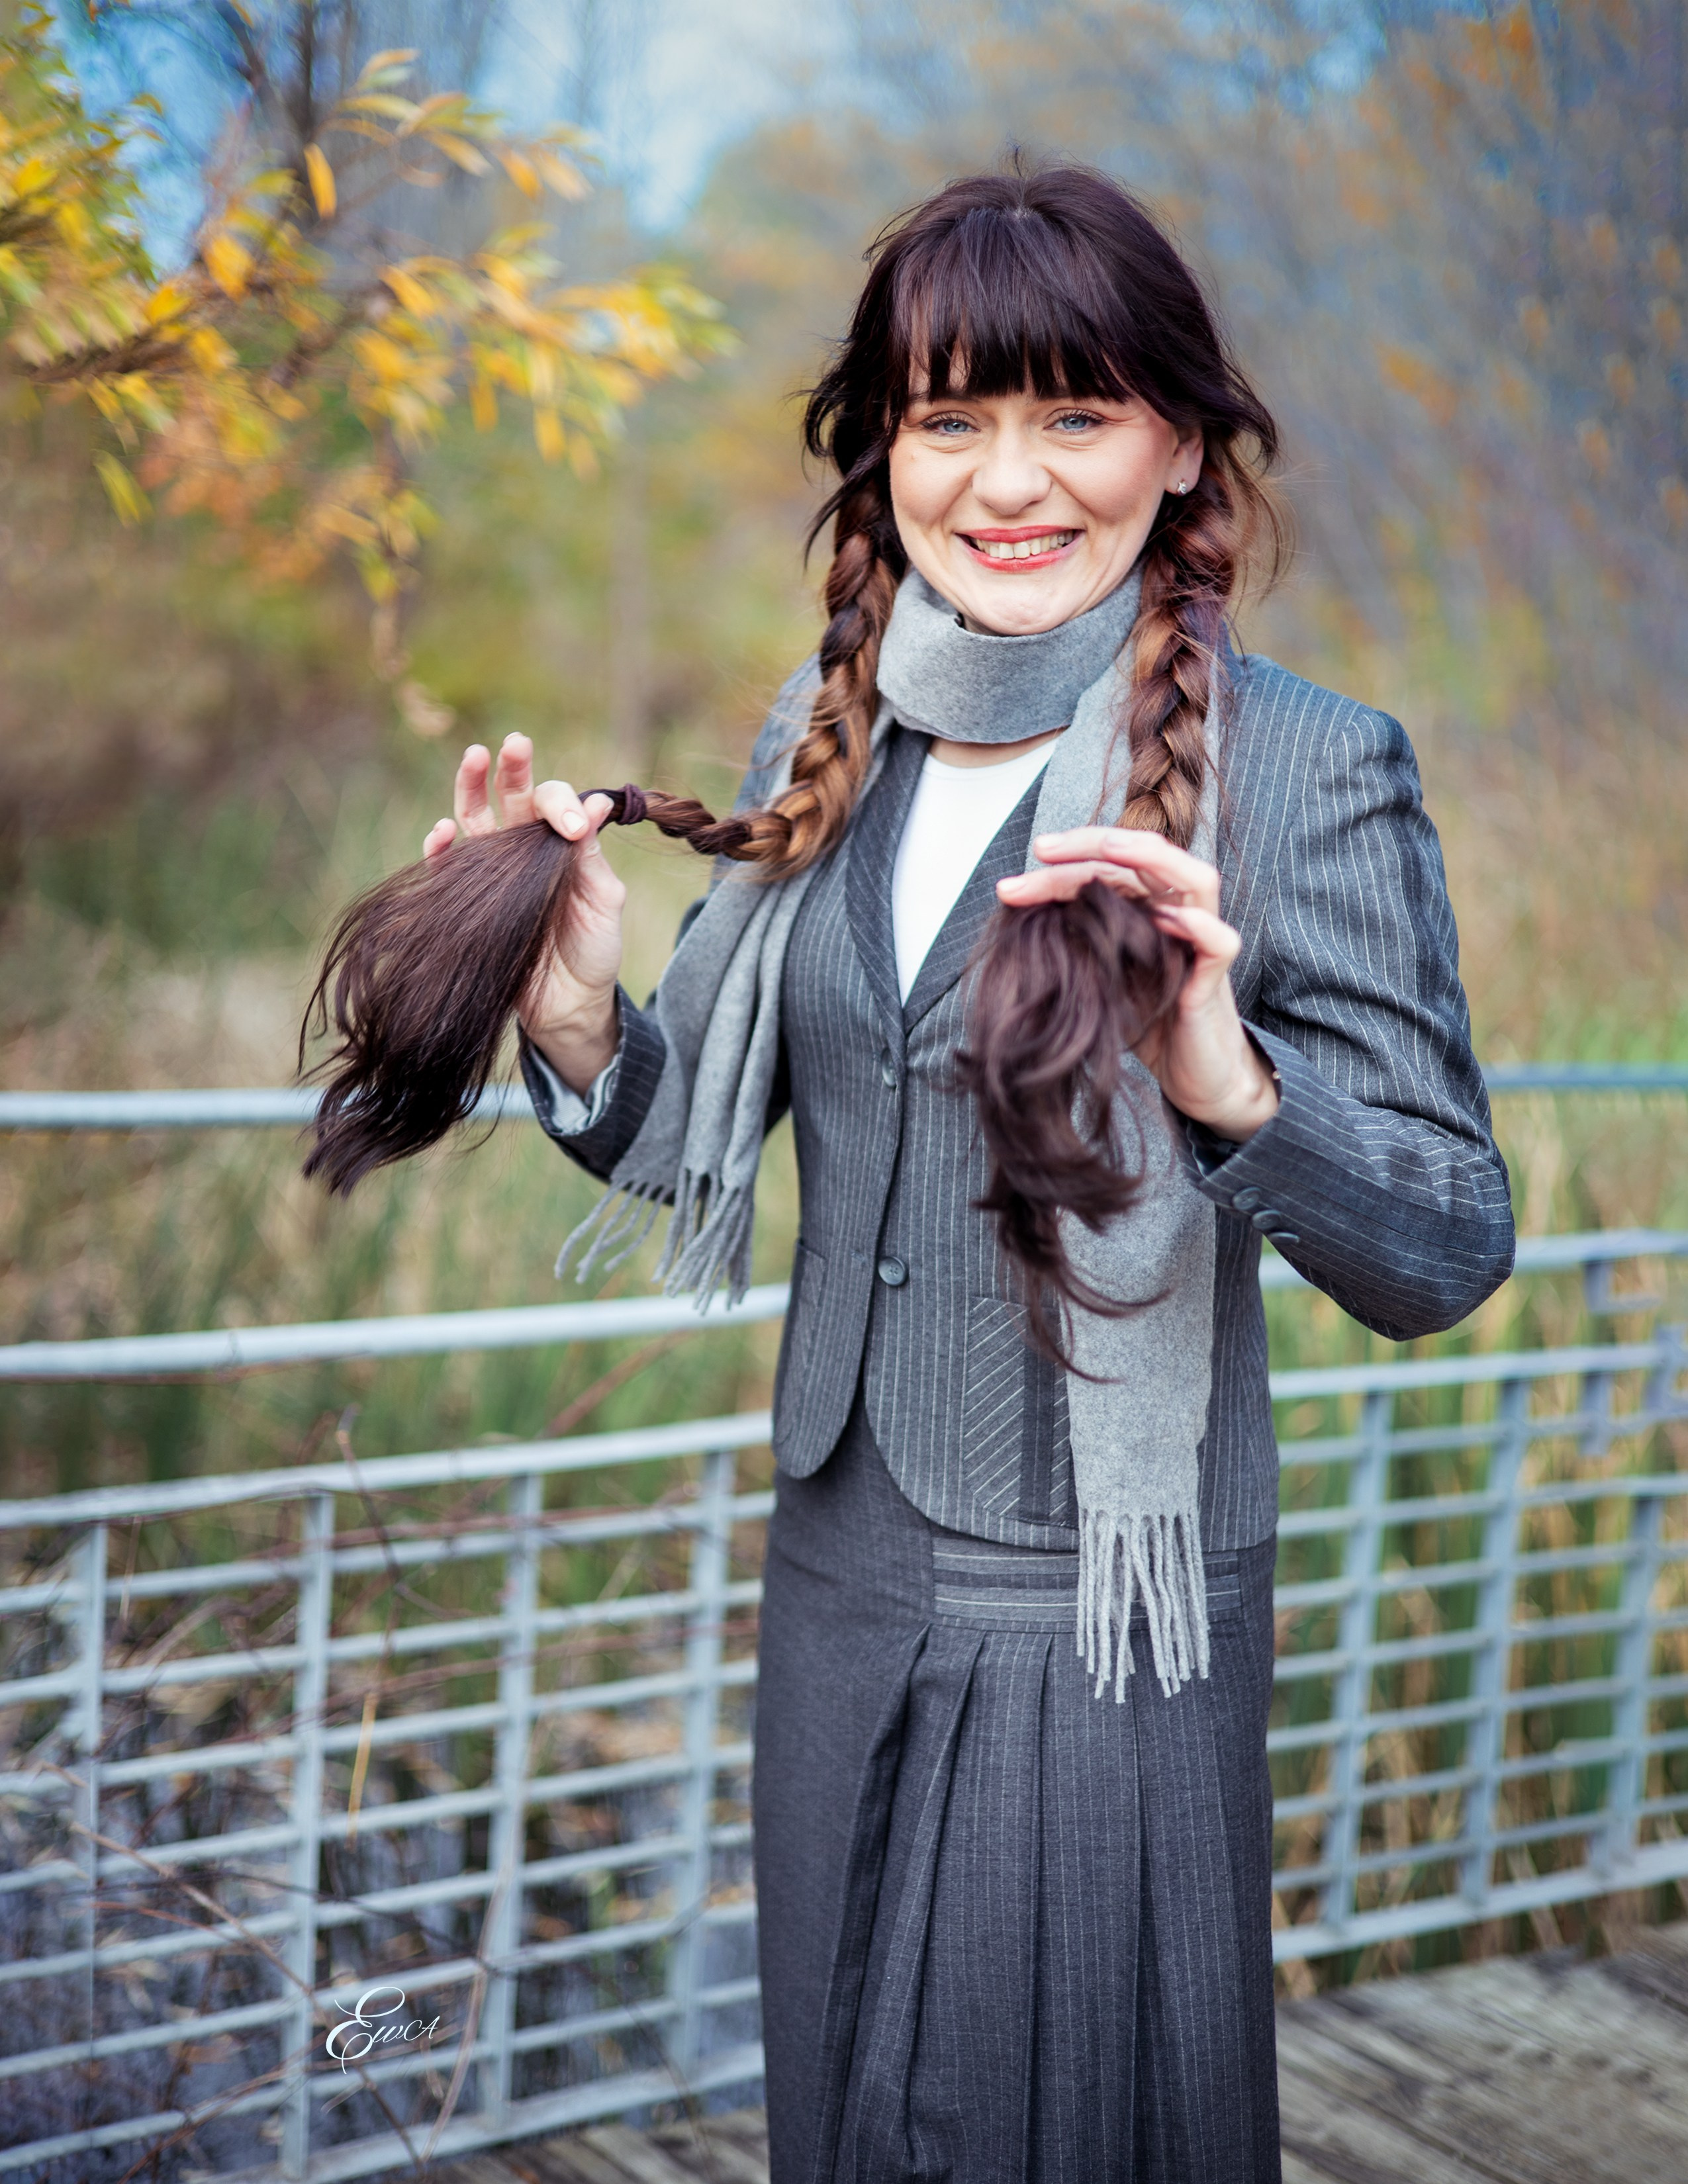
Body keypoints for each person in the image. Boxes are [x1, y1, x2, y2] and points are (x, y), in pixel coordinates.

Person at [423, 164, 1514, 2184]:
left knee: (1061, 2125)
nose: (1008, 479)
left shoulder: (1306, 765)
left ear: (1183, 438)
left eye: (1075, 412)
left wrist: (1224, 1071)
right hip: (839, 1557)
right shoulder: (829, 732)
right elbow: (694, 1140)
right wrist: (574, 1009)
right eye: (948, 417)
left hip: (1094, 1601)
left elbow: (1448, 1240)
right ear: (887, 451)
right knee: (853, 2114)